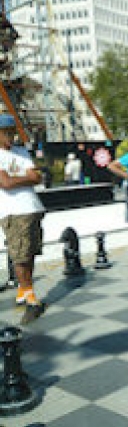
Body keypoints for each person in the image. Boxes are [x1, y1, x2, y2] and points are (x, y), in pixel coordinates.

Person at [0, 114, 46, 324]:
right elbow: (5, 183)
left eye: (12, 132)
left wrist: (20, 178)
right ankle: (30, 298)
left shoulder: (21, 151)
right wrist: (27, 177)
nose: (10, 136)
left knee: (31, 251)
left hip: (32, 207)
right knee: (20, 256)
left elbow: (38, 177)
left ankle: (23, 290)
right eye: (5, 132)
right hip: (13, 212)